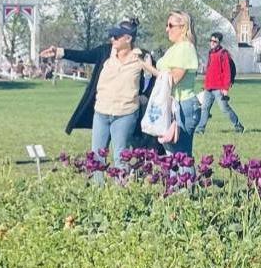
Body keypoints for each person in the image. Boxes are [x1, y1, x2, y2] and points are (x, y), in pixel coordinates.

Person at [40, 19, 149, 175]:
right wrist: (59, 52)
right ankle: (98, 193)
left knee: (121, 158)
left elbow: (155, 78)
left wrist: (143, 97)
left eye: (116, 36)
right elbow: (84, 55)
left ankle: (122, 193)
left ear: (128, 39)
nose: (112, 39)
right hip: (101, 113)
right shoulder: (105, 52)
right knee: (97, 158)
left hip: (125, 114)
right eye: (112, 35)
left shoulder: (141, 57)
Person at [140, 11, 200, 158]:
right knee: (171, 154)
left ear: (183, 28)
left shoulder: (185, 48)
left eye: (171, 25)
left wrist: (151, 69)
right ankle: (176, 181)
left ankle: (186, 180)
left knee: (181, 155)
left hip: (183, 105)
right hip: (172, 103)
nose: (167, 29)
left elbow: (173, 79)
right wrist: (146, 66)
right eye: (167, 25)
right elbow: (164, 77)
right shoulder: (175, 48)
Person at [195, 31, 245, 134]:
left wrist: (226, 88)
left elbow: (227, 72)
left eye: (215, 41)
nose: (212, 43)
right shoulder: (210, 53)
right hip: (209, 88)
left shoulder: (223, 53)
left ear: (219, 42)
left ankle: (238, 126)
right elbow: (209, 70)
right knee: (205, 108)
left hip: (219, 88)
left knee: (224, 109)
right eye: (211, 40)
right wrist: (205, 85)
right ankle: (200, 129)